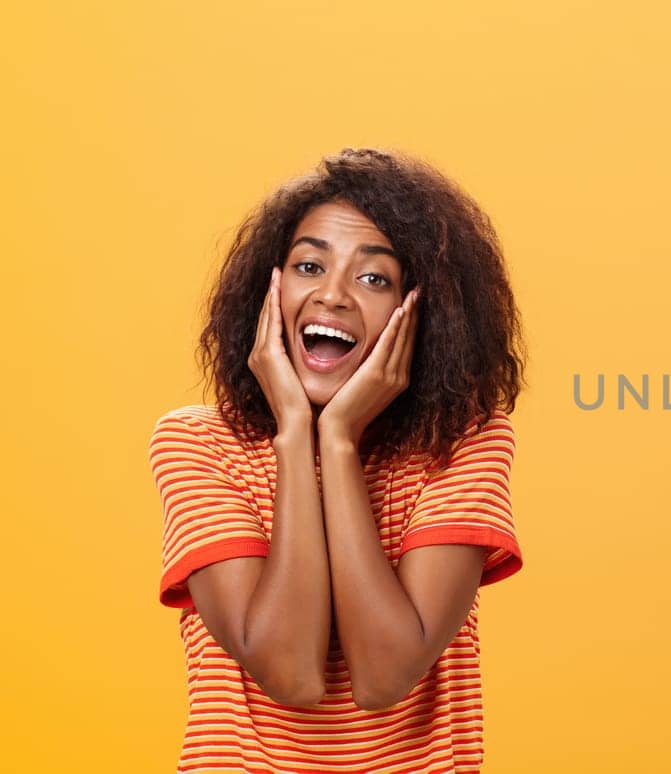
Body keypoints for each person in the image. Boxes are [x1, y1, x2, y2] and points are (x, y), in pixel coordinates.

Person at [148, 148, 526, 772]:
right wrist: (297, 432)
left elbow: (385, 677)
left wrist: (340, 438)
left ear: (425, 311)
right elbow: (291, 675)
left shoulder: (465, 443)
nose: (333, 296)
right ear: (268, 288)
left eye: (374, 278)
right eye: (308, 265)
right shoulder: (197, 444)